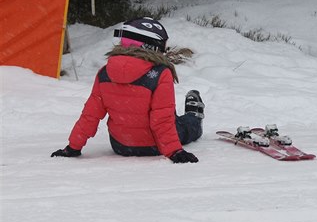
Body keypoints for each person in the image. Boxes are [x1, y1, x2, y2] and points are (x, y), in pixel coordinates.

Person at [51, 17, 205, 163]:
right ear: (152, 45)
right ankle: (194, 116)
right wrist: (175, 152)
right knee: (184, 125)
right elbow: (162, 120)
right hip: (154, 146)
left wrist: (72, 147)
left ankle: (189, 118)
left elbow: (90, 116)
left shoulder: (105, 72)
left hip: (121, 146)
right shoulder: (160, 73)